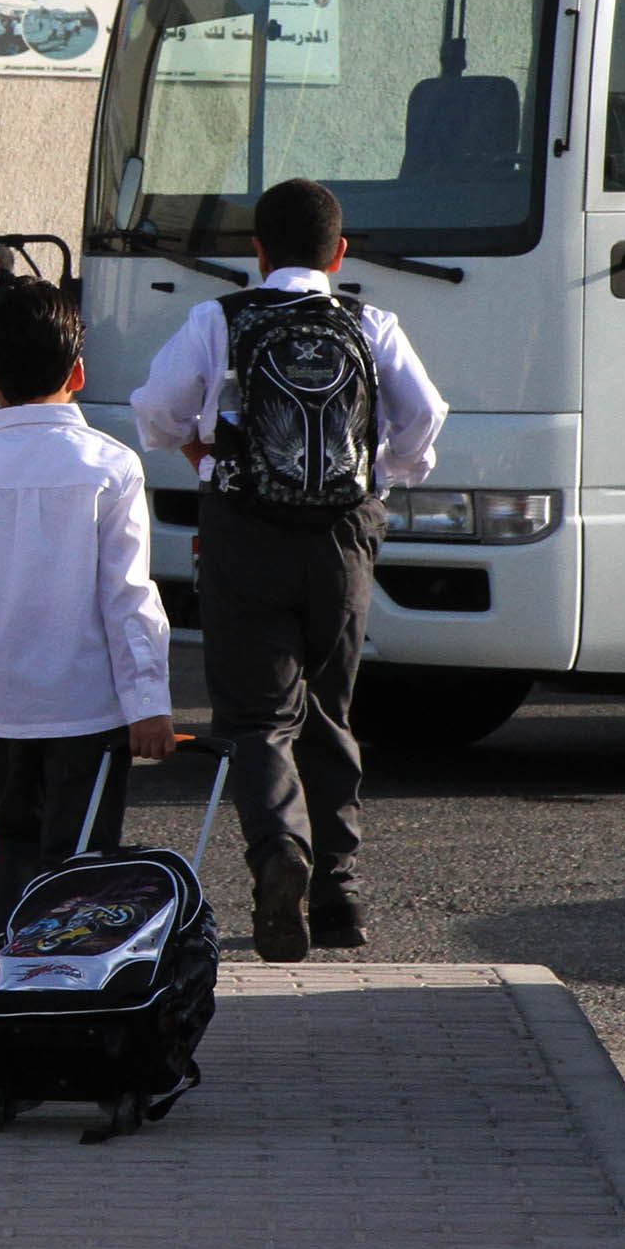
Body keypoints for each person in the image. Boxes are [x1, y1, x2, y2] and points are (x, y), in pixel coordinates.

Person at [130, 179, 447, 962]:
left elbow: (157, 410)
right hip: (343, 538)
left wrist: (203, 456)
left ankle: (279, 852)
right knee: (330, 710)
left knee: (258, 719)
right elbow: (426, 415)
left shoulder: (219, 318)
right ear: (340, 254)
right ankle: (339, 898)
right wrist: (382, 476)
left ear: (256, 251)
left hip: (243, 534)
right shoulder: (370, 323)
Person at [0, 281, 176, 945]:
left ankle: (2, 971)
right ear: (78, 373)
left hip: (0, 704)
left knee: (15, 838)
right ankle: (70, 985)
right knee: (84, 857)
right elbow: (129, 596)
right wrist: (148, 701)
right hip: (92, 703)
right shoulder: (112, 466)